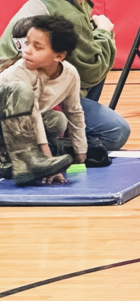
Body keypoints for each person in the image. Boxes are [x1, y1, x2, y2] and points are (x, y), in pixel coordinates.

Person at [0, 0, 130, 151]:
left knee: (97, 54)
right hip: (18, 97)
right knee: (116, 132)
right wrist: (105, 32)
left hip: (38, 85)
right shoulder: (65, 13)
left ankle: (54, 136)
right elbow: (92, 71)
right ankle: (48, 145)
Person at [0, 16, 83, 186]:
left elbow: (74, 112)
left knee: (57, 120)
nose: (27, 50)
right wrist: (46, 161)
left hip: (18, 128)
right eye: (27, 43)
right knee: (22, 90)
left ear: (59, 56)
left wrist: (81, 152)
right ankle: (27, 163)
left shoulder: (70, 74)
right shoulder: (21, 71)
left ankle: (8, 158)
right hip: (5, 122)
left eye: (37, 47)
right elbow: (34, 115)